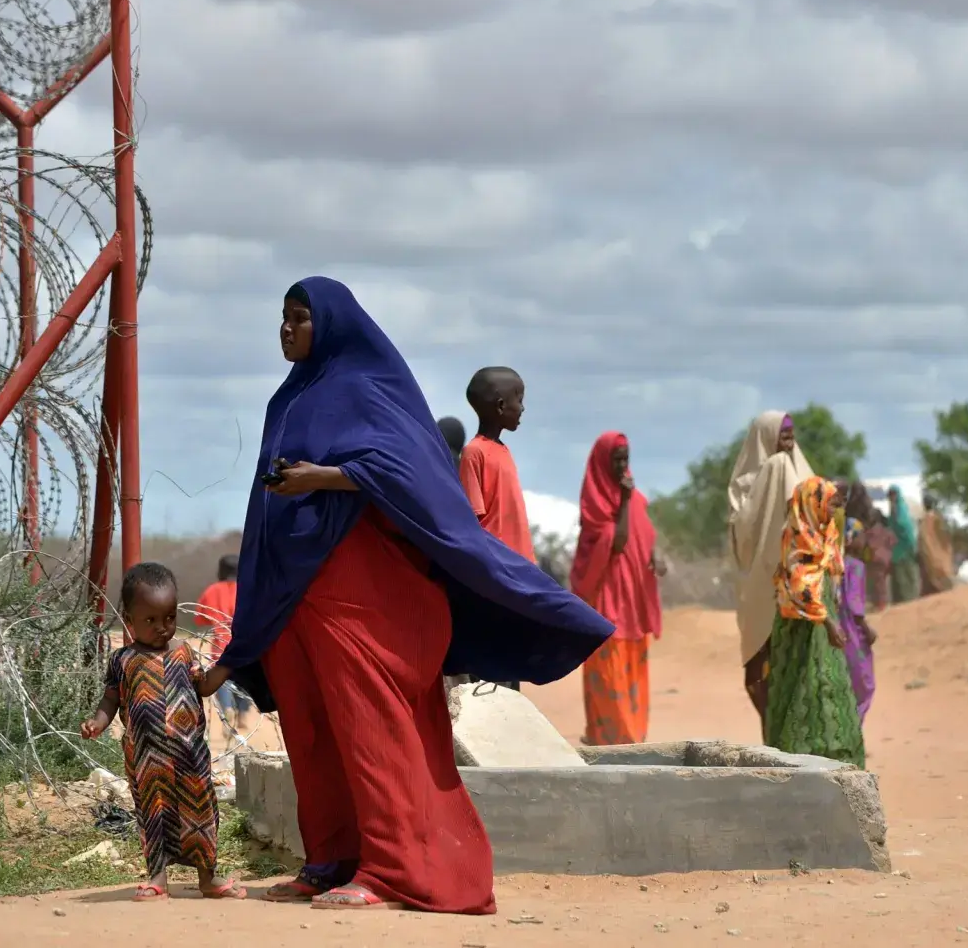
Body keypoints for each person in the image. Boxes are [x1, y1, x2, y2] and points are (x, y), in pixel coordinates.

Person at [198, 278, 613, 912]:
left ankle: (394, 872)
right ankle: (332, 860)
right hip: (297, 597)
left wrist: (328, 476)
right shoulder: (287, 401)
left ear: (330, 325)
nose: (286, 330)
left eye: (299, 318)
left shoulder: (370, 388)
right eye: (282, 318)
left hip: (362, 598)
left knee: (373, 730)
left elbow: (414, 474)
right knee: (314, 734)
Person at [82, 562, 245, 902]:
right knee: (153, 815)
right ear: (129, 620)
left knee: (200, 813)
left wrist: (228, 663)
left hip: (190, 756)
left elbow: (204, 688)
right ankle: (158, 878)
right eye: (150, 620)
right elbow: (110, 698)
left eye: (169, 618)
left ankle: (208, 878)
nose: (162, 628)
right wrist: (98, 722)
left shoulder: (183, 653)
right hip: (146, 760)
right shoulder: (122, 661)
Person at [569, 431, 665, 745]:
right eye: (616, 459)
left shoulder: (635, 498)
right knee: (608, 672)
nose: (623, 466)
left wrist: (656, 557)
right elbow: (618, 541)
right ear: (602, 462)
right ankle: (609, 737)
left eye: (626, 459)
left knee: (632, 670)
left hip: (632, 600)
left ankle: (633, 736)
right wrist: (623, 502)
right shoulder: (595, 504)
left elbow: (643, 535)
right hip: (607, 599)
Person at [764, 476, 866, 768]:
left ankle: (839, 752)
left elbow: (831, 572)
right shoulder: (796, 538)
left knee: (828, 686)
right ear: (813, 504)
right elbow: (798, 588)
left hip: (823, 625)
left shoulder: (826, 535)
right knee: (803, 687)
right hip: (801, 629)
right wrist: (828, 623)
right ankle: (798, 756)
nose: (835, 512)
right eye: (830, 505)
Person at [727, 411, 811, 724]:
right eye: (783, 434)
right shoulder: (743, 487)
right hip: (758, 588)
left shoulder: (801, 474)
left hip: (796, 586)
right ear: (767, 437)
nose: (789, 440)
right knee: (759, 676)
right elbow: (743, 538)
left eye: (791, 434)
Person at [457, 367, 537, 691]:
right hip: (495, 577)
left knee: (511, 667)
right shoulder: (474, 452)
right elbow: (474, 522)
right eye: (520, 399)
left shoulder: (502, 451)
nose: (523, 408)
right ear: (501, 406)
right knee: (492, 675)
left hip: (517, 576)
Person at [194, 553, 252, 728]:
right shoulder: (247, 589)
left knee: (222, 680)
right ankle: (243, 713)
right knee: (244, 681)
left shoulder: (212, 590)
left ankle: (227, 708)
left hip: (219, 645)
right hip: (244, 645)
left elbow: (199, 619)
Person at [840, 516, 877, 721]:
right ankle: (853, 728)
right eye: (860, 535)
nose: (864, 539)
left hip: (836, 630)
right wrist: (867, 628)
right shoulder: (855, 566)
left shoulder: (835, 564)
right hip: (852, 631)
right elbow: (855, 605)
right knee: (864, 684)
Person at [886, 485, 922, 604]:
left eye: (894, 494)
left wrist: (913, 547)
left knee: (909, 576)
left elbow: (907, 530)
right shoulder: (893, 511)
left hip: (906, 549)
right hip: (896, 550)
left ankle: (912, 600)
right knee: (900, 578)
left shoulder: (902, 510)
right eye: (890, 495)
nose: (892, 497)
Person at [916, 491, 956, 595]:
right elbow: (946, 538)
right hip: (940, 560)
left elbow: (923, 540)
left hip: (930, 560)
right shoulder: (939, 518)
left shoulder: (925, 521)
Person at [862, 508, 896, 612]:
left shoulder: (870, 532)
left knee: (878, 583)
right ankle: (881, 602)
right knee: (881, 582)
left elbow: (866, 544)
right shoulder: (885, 530)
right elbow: (893, 541)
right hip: (885, 559)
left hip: (875, 560)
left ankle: (881, 604)